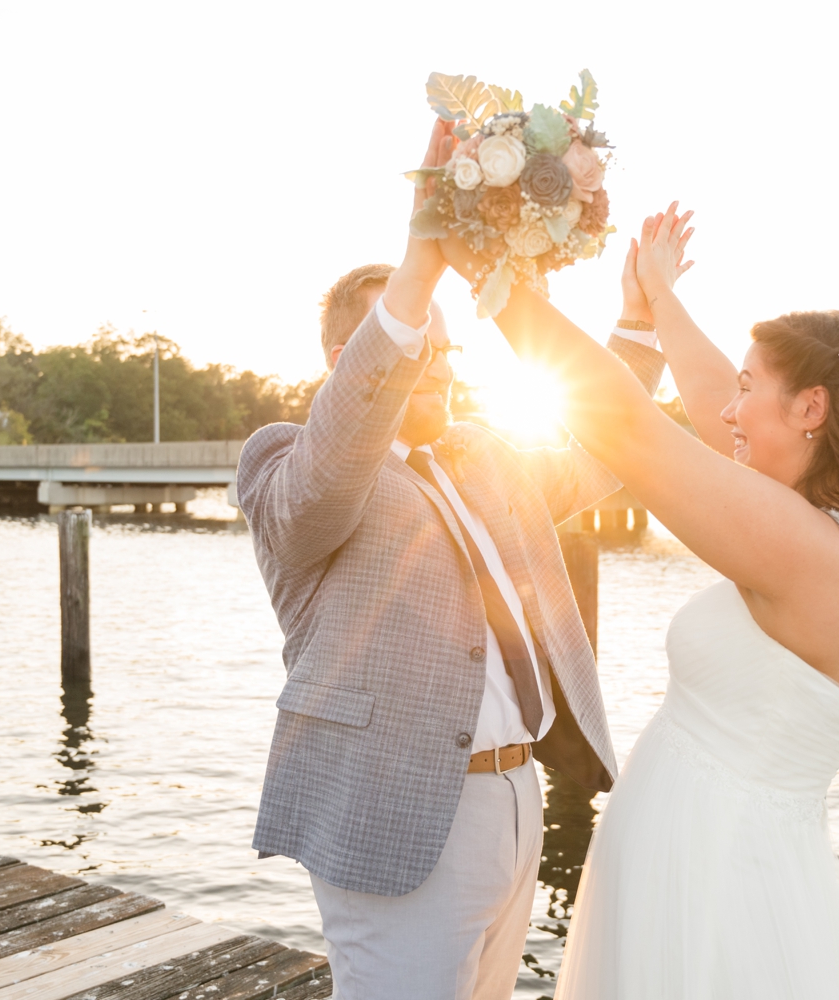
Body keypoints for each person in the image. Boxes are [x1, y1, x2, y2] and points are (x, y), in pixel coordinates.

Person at [438, 204, 839, 998]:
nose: (726, 409)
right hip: (715, 861)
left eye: (753, 389)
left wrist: (492, 278)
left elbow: (626, 426)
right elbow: (717, 398)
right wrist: (658, 300)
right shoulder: (822, 533)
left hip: (710, 887)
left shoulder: (805, 550)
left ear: (812, 409)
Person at [234, 121, 667, 1000]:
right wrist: (421, 266)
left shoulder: (483, 454)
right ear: (343, 359)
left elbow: (602, 451)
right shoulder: (284, 462)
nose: (431, 357)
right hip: (396, 814)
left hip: (515, 798)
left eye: (440, 341)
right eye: (408, 339)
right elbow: (324, 482)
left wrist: (637, 326)